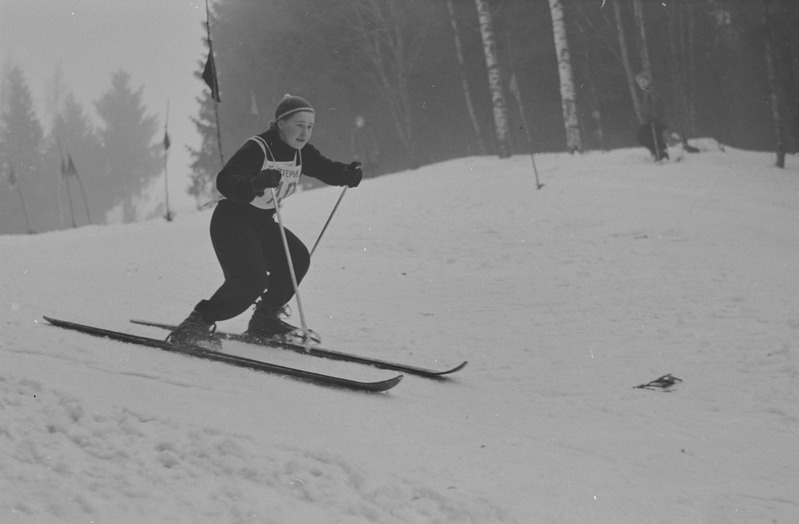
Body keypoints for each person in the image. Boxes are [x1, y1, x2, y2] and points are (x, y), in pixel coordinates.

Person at [168, 94, 363, 349]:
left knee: (296, 259)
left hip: (260, 223)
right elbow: (225, 179)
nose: (305, 133)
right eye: (299, 125)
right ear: (281, 123)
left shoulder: (301, 152)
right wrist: (254, 183)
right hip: (231, 222)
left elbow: (324, 167)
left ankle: (265, 321)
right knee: (251, 280)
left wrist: (345, 174)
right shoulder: (259, 147)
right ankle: (196, 323)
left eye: (310, 127)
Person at [635, 72, 669, 161]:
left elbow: (656, 103)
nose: (642, 84)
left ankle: (659, 153)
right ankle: (660, 153)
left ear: (649, 81)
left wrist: (654, 115)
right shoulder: (647, 92)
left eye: (644, 81)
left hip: (655, 119)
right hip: (651, 119)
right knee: (655, 137)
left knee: (641, 136)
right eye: (640, 83)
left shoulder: (652, 90)